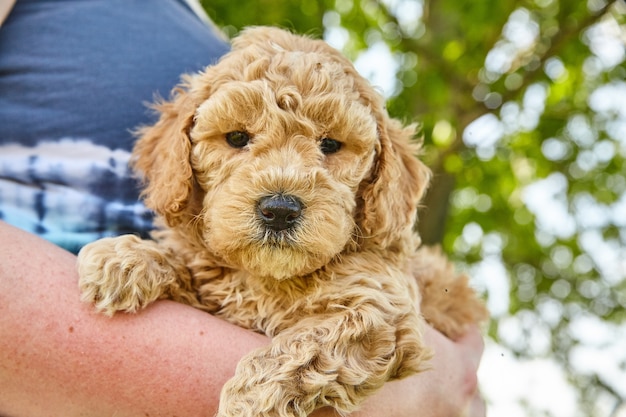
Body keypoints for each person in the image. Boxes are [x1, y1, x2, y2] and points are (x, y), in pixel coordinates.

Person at [0, 1, 485, 416]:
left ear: (382, 177)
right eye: (237, 139)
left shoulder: (361, 281)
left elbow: (379, 325)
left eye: (331, 146)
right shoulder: (196, 247)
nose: (281, 194)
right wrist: (162, 264)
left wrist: (269, 390)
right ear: (180, 157)